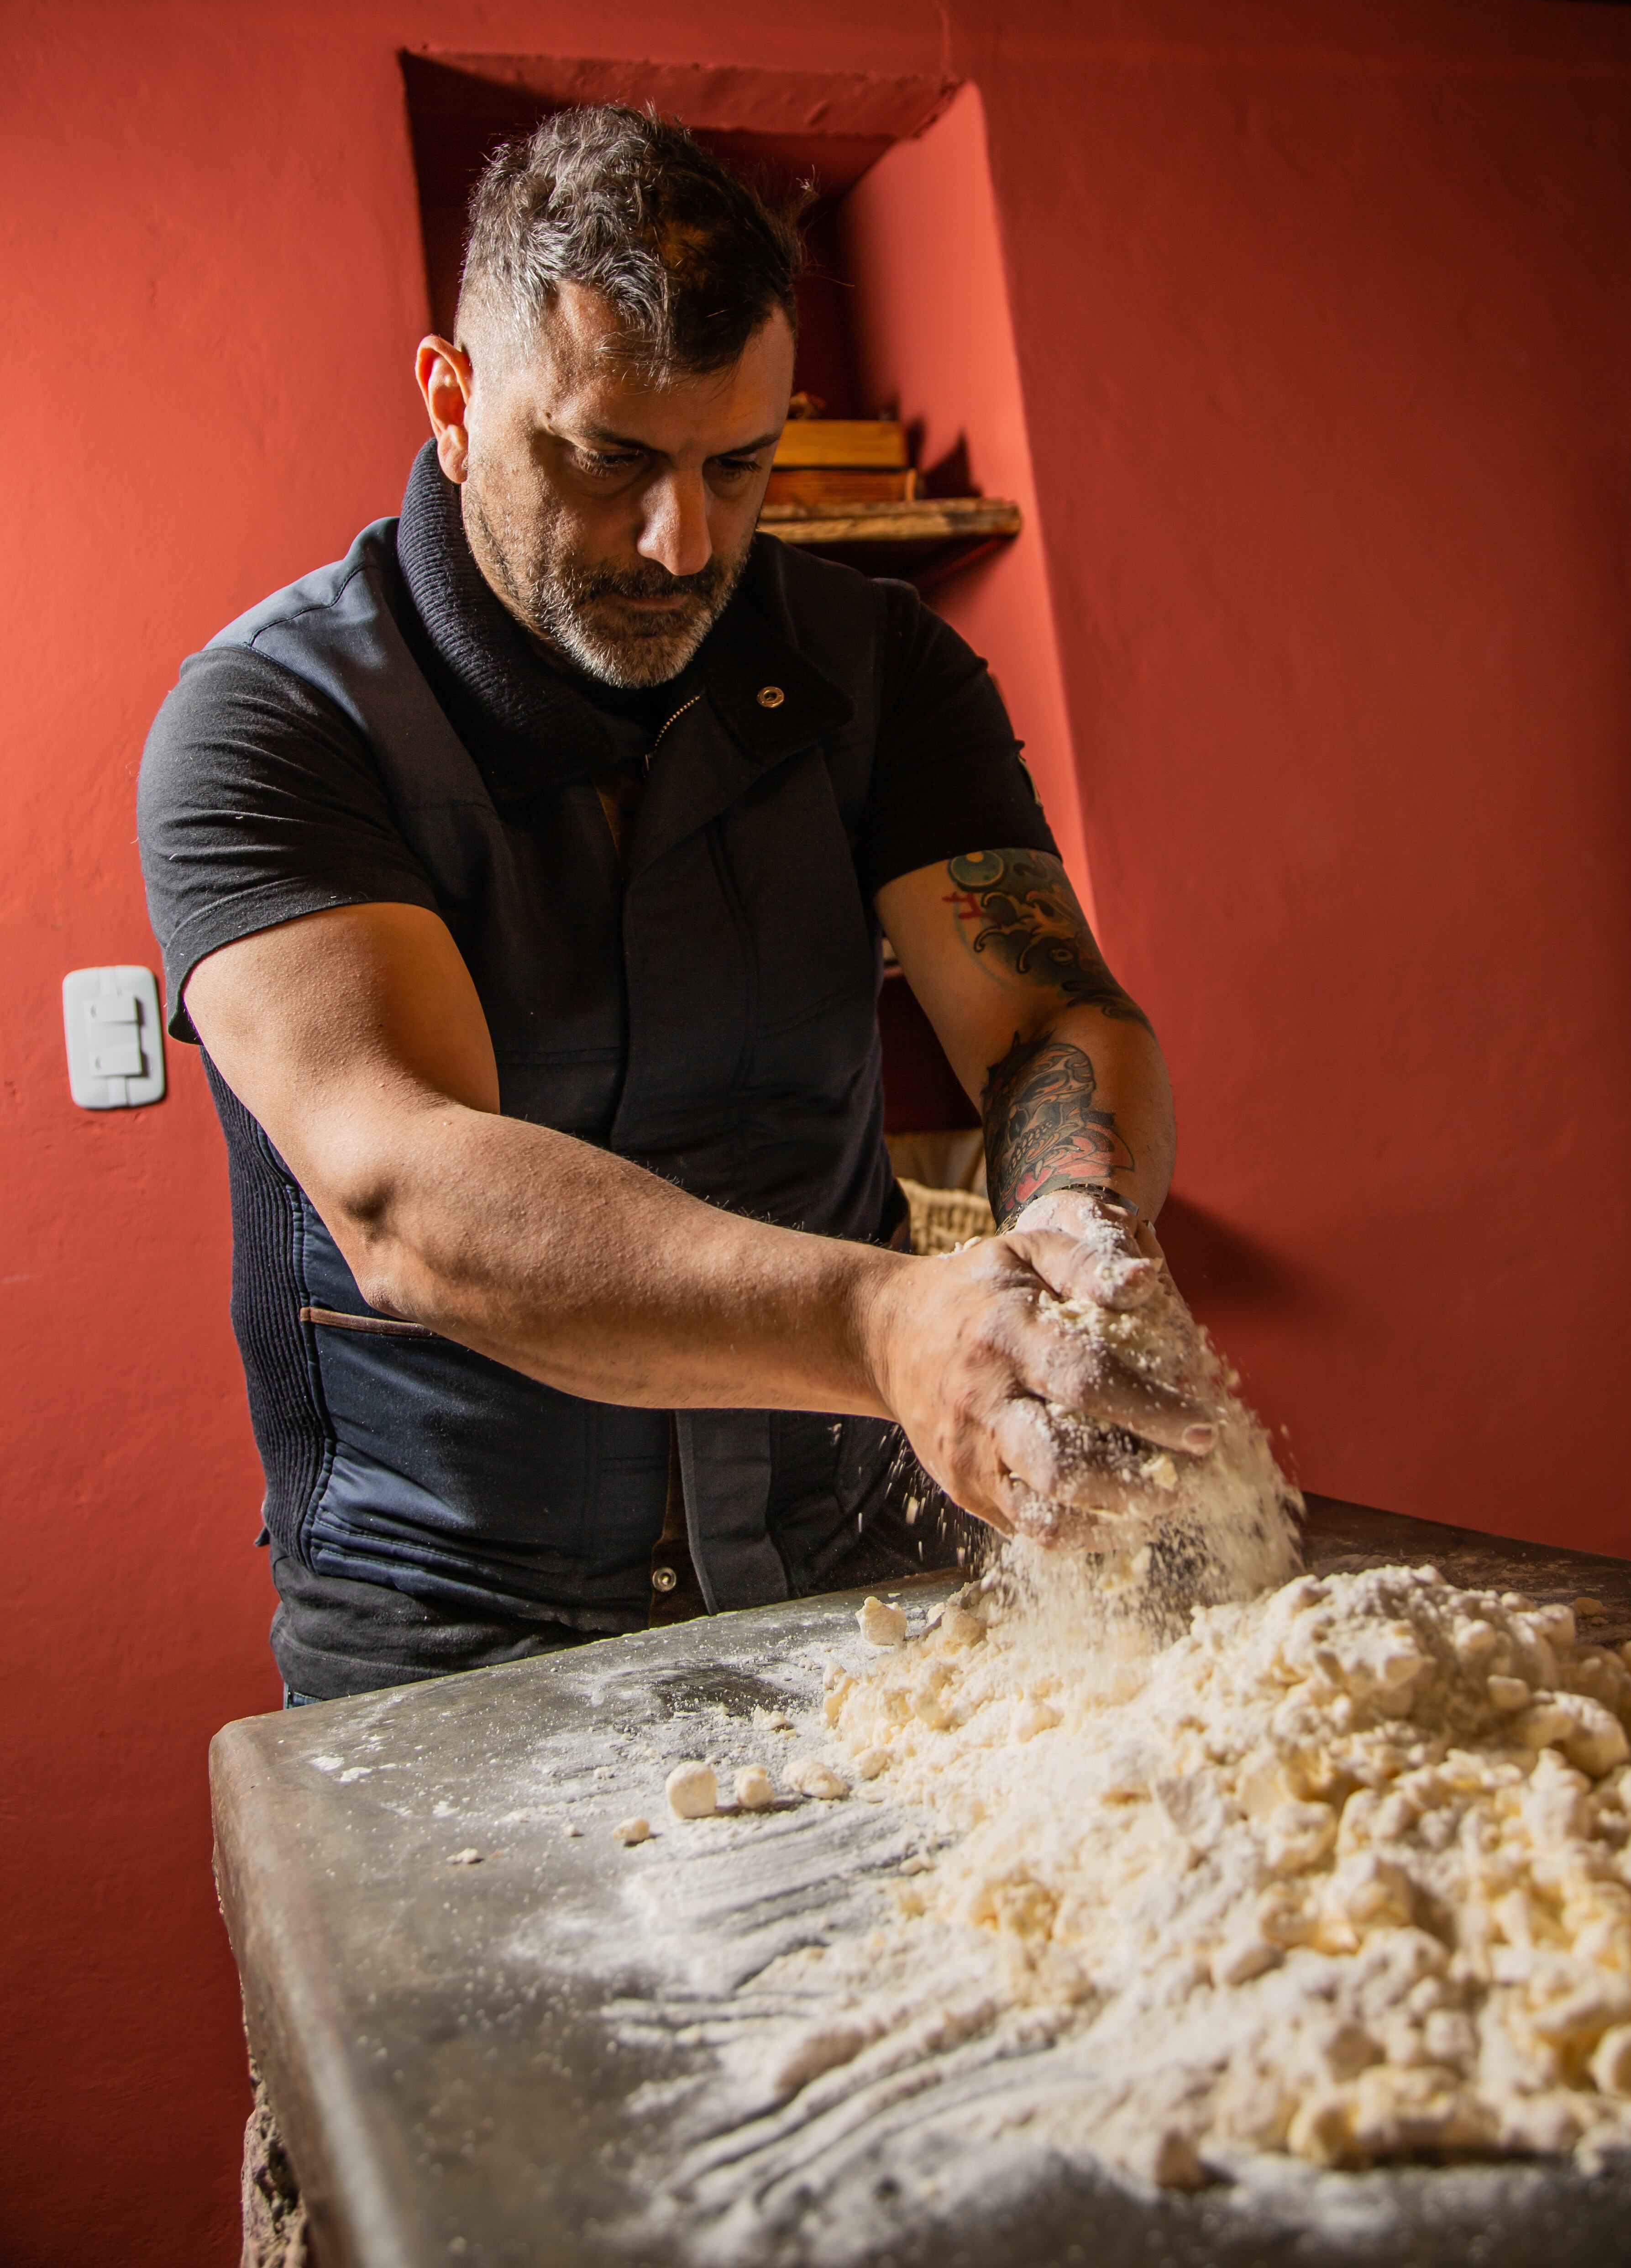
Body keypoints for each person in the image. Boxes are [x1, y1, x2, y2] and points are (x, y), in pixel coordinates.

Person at [138, 104, 1208, 1706]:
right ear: (452, 400)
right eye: (610, 460)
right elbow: (404, 1193)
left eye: (740, 464)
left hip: (850, 1549)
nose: (681, 541)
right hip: (452, 1619)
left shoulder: (882, 667)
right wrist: (880, 1326)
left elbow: (1048, 1011)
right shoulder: (271, 722)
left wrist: (1074, 1227)